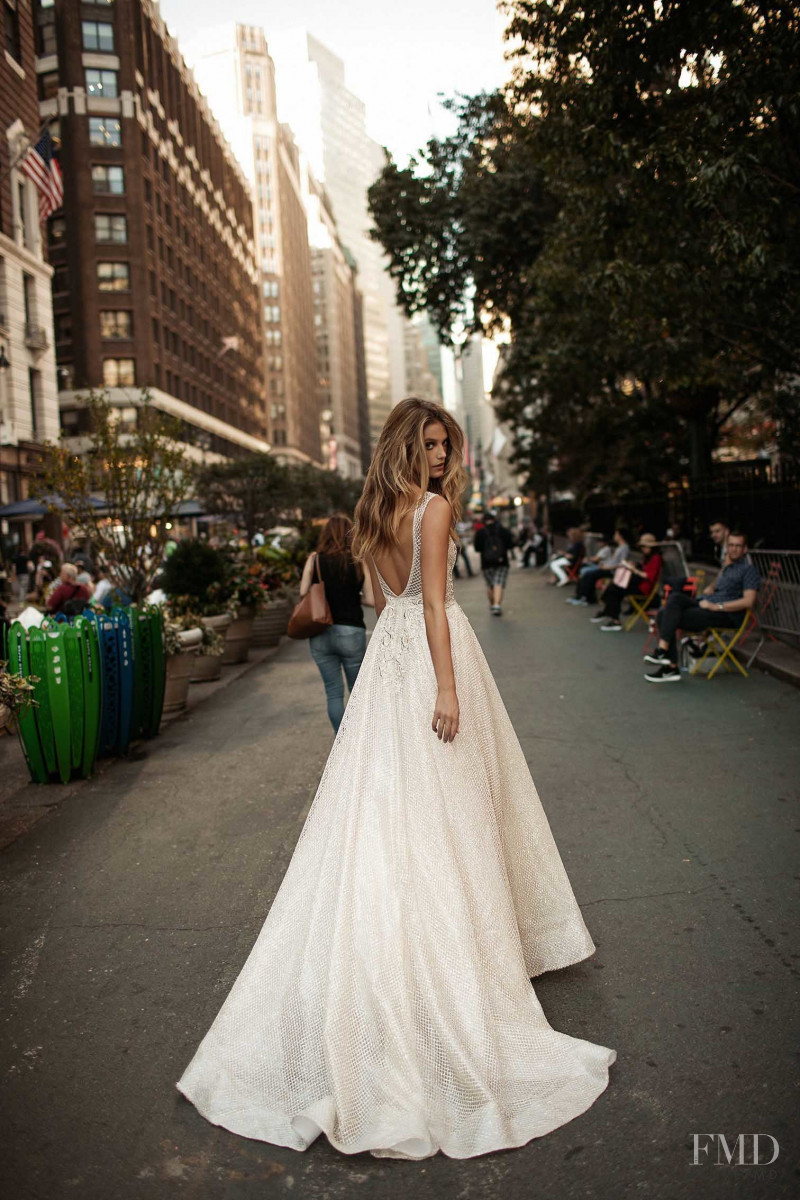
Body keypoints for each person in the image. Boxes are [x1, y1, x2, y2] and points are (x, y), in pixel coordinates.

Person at [175, 396, 615, 1160]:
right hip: (432, 663)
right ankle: (455, 964)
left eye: (446, 445)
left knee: (387, 812)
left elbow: (385, 605)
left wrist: (409, 666)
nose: (443, 457)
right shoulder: (434, 512)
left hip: (386, 665)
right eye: (433, 444)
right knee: (452, 807)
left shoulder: (373, 515)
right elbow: (437, 605)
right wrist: (446, 687)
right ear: (410, 448)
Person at [643, 530, 760, 683]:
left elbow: (748, 602)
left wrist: (715, 606)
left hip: (724, 614)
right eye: (731, 545)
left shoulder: (748, 570)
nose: (734, 549)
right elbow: (717, 586)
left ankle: (667, 663)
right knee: (674, 598)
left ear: (745, 549)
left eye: (738, 546)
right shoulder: (727, 566)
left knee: (665, 615)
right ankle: (664, 654)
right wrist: (713, 585)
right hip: (705, 603)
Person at [298, 513, 373, 732]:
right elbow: (369, 599)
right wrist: (351, 596)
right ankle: (359, 742)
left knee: (333, 691)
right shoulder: (357, 560)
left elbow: (303, 592)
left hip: (320, 631)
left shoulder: (315, 559)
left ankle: (340, 742)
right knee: (357, 692)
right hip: (351, 630)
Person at [591, 534, 663, 631]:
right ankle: (610, 614)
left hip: (644, 587)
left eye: (645, 547)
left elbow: (649, 576)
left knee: (614, 589)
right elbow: (642, 568)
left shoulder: (656, 558)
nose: (643, 549)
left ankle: (614, 618)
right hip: (639, 584)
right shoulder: (648, 557)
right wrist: (633, 566)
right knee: (614, 587)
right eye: (642, 547)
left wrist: (634, 569)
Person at [567, 528, 631, 607]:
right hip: (606, 567)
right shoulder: (620, 547)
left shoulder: (624, 548)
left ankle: (587, 598)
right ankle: (580, 595)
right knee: (586, 573)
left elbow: (622, 564)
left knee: (589, 575)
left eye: (616, 534)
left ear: (620, 536)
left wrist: (607, 567)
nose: (614, 536)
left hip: (611, 570)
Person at [473, 508, 515, 615]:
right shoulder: (503, 530)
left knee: (490, 584)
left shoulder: (480, 532)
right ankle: (496, 605)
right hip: (502, 561)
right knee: (499, 582)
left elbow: (477, 548)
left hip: (486, 562)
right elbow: (510, 544)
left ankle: (493, 605)